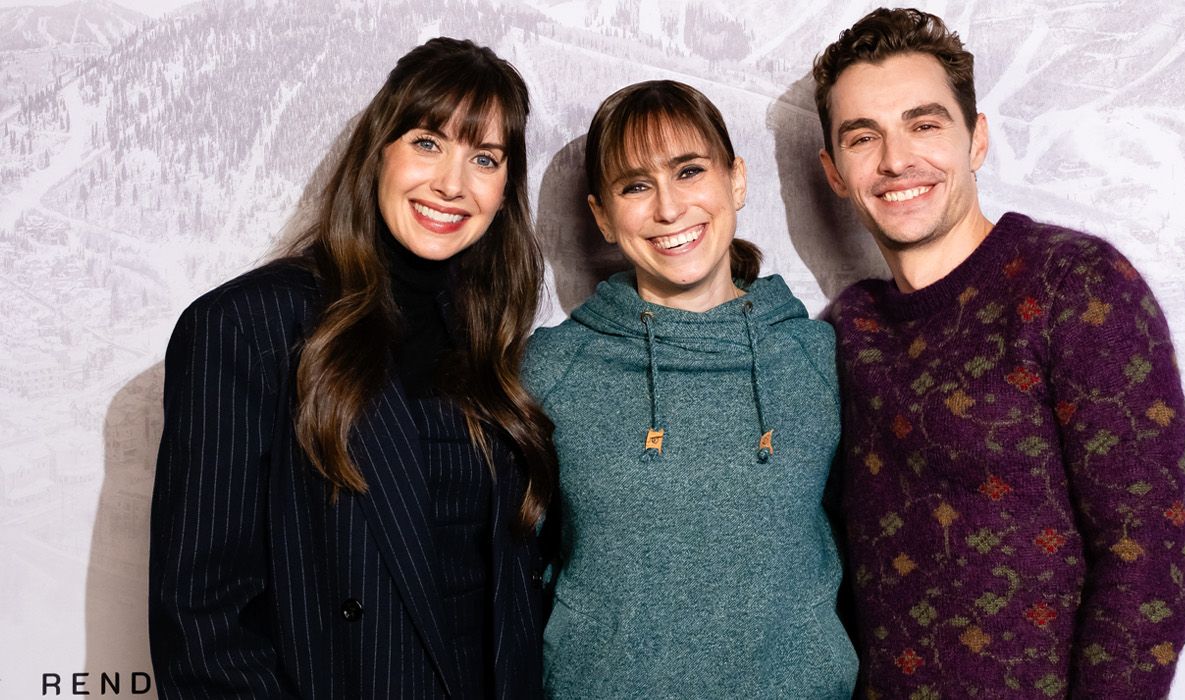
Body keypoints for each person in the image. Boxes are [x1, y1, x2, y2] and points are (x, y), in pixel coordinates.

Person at [811, 8, 1185, 698]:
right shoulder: (848, 328)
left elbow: (1151, 562)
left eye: (924, 124)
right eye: (863, 137)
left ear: (977, 140)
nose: (897, 159)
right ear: (835, 172)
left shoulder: (1076, 283)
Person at [148, 38, 555, 699]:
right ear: (380, 153)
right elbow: (201, 617)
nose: (452, 183)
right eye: (428, 143)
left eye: (484, 158)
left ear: (505, 188)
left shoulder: (490, 342)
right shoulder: (250, 327)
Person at [523, 80, 857, 698]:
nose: (669, 209)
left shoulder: (818, 360)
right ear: (601, 214)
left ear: (735, 180)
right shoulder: (553, 370)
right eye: (635, 185)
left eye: (689, 171)